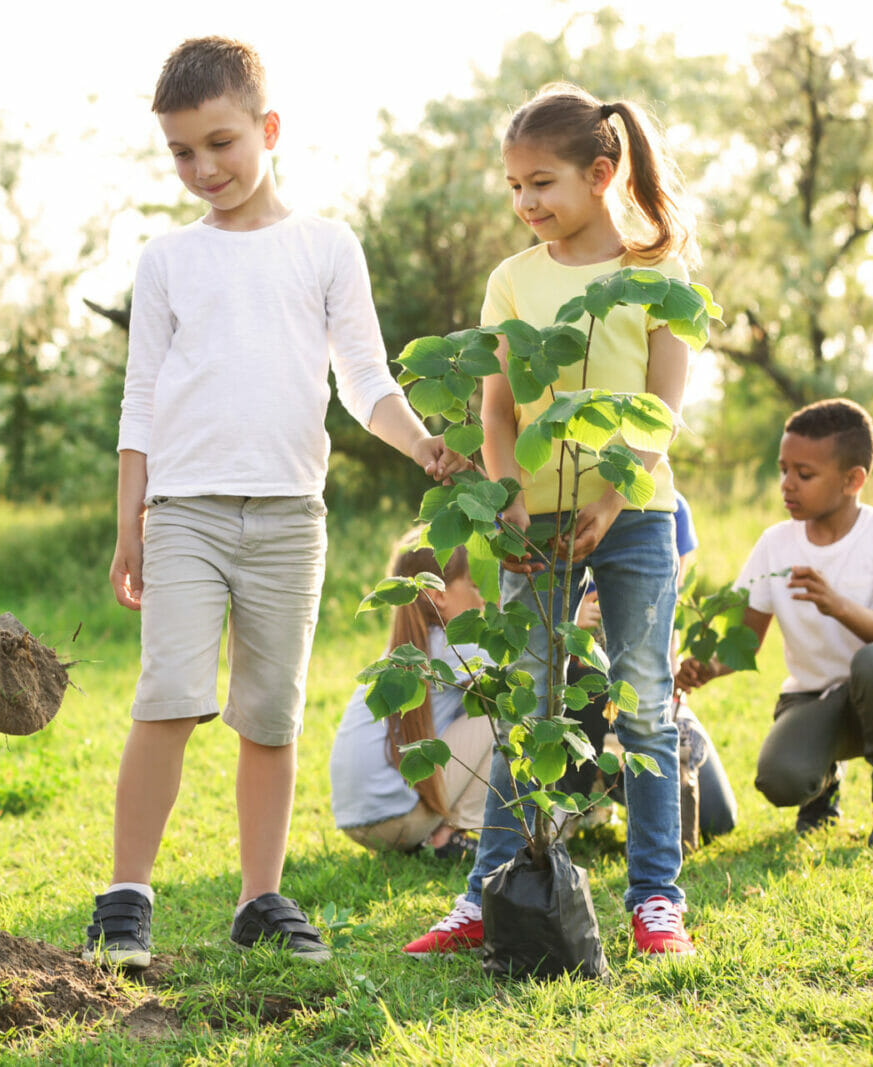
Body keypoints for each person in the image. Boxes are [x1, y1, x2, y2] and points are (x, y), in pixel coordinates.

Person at [81, 37, 468, 971]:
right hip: (184, 512)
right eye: (181, 152)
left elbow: (364, 380)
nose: (203, 168)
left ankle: (261, 897)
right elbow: (141, 398)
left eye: (220, 143)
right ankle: (127, 897)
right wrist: (129, 519)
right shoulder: (168, 259)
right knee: (168, 697)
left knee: (271, 714)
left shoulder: (325, 247)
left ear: (269, 129)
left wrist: (420, 440)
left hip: (291, 516)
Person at [406, 83, 700, 960]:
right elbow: (498, 411)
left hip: (636, 514)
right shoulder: (513, 279)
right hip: (533, 519)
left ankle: (656, 901)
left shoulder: (658, 274)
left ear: (600, 173)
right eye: (514, 188)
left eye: (542, 183)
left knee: (644, 706)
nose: (527, 203)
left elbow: (663, 410)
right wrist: (507, 501)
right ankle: (485, 896)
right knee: (525, 710)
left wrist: (611, 499)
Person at [677, 398, 873, 849]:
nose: (787, 485)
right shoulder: (776, 544)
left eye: (804, 474)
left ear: (854, 480)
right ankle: (822, 786)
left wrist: (838, 604)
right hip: (812, 699)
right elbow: (747, 644)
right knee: (779, 779)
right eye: (783, 469)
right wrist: (706, 669)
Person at [559, 491, 740, 845]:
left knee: (717, 819)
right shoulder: (563, 493)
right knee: (595, 677)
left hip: (645, 699)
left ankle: (605, 783)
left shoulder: (670, 506)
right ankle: (568, 803)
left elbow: (666, 612)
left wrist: (675, 670)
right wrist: (568, 623)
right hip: (576, 701)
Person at [329, 535, 493, 858]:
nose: (483, 598)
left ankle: (440, 831)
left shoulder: (407, 651)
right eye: (474, 586)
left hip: (356, 821)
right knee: (501, 710)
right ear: (438, 596)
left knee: (475, 703)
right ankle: (454, 833)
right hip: (400, 821)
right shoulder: (453, 650)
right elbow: (528, 669)